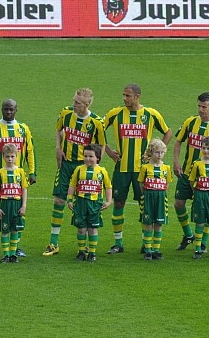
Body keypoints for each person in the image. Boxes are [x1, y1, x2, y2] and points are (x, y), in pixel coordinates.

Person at [102, 84, 171, 254]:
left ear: (137, 96)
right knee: (118, 202)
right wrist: (109, 151)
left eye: (128, 96)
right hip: (122, 168)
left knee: (145, 204)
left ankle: (146, 244)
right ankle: (118, 243)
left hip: (143, 169)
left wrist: (156, 153)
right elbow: (98, 130)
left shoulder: (150, 114)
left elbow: (168, 133)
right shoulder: (115, 113)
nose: (124, 98)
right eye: (123, 95)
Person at [43, 88, 106, 256]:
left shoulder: (96, 122)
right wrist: (58, 147)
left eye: (77, 102)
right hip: (66, 164)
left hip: (83, 167)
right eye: (73, 100)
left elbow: (101, 145)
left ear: (86, 104)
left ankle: (86, 246)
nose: (73, 104)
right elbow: (58, 129)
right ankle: (53, 243)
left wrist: (96, 166)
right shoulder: (66, 113)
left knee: (84, 203)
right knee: (58, 201)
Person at [171, 92, 209, 252]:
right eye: (199, 106)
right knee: (178, 203)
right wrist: (176, 162)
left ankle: (202, 243)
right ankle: (189, 234)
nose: (201, 110)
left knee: (204, 209)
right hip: (187, 172)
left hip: (207, 178)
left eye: (204, 107)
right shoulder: (190, 122)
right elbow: (178, 142)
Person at [0, 99, 35, 258]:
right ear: (1, 109)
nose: (8, 112)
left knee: (17, 214)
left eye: (11, 109)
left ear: (16, 110)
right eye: (6, 109)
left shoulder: (23, 129)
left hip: (17, 181)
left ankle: (16, 247)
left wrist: (32, 171)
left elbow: (30, 151)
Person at [67, 144, 112, 262]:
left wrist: (108, 201)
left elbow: (108, 187)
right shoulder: (78, 170)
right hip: (80, 203)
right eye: (85, 156)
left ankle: (92, 252)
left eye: (90, 156)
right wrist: (69, 199)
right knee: (81, 228)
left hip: (95, 204)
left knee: (92, 228)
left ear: (97, 157)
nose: (87, 159)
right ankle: (81, 251)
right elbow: (72, 185)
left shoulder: (102, 171)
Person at [0, 143, 28, 263]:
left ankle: (13, 254)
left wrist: (23, 206)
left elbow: (24, 189)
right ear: (3, 157)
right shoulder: (0, 172)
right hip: (5, 204)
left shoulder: (21, 172)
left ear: (16, 156)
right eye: (7, 157)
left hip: (16, 205)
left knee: (15, 230)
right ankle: (6, 254)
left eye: (12, 156)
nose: (10, 159)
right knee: (5, 230)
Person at [138, 138, 171, 260]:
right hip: (148, 197)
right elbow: (141, 183)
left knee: (159, 223)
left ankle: (156, 250)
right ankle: (147, 250)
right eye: (157, 152)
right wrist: (147, 193)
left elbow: (167, 184)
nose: (160, 155)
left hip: (161, 197)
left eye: (162, 152)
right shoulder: (145, 167)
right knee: (148, 223)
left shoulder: (166, 168)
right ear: (151, 152)